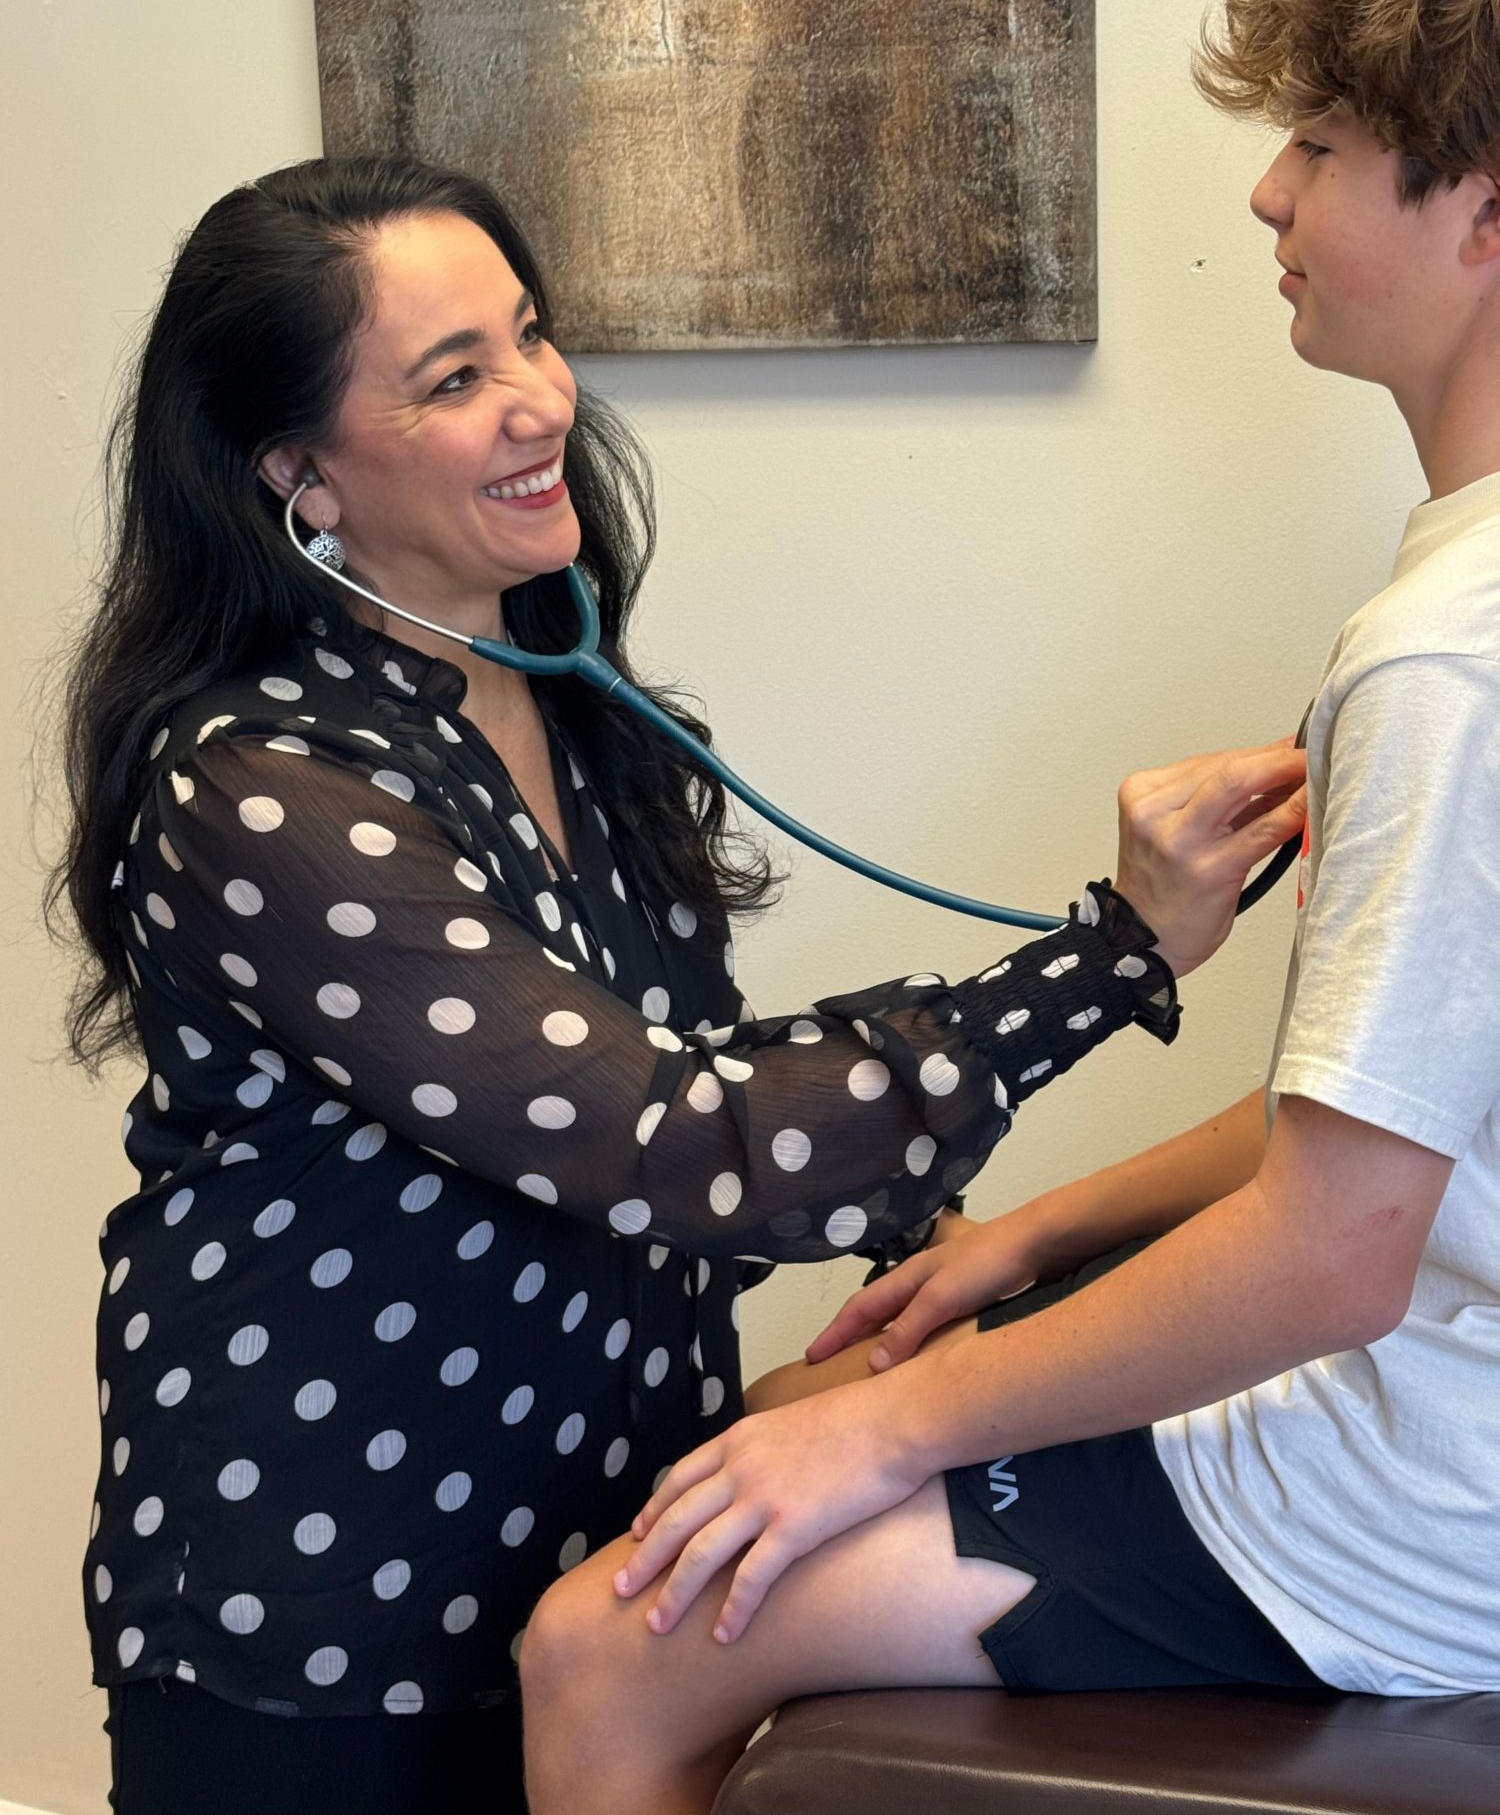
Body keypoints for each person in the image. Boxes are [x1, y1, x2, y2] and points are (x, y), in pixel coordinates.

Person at [52, 156, 1301, 1813]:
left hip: (592, 1535)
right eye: (455, 378)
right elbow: (664, 1139)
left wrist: (949, 1256)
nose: (541, 402)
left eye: (531, 334)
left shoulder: (566, 702)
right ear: (300, 475)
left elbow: (668, 1077)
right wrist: (1111, 957)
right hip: (333, 1587)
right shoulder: (260, 785)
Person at [519, 0, 1500, 1812]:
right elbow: (1388, 1121)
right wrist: (1028, 1239)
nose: (1269, 193)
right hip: (1443, 1408)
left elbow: (1335, 1254)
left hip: (1423, 1514)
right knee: (807, 1393)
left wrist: (895, 1435)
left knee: (602, 1640)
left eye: (1319, 146)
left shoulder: (1446, 659)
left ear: (1482, 211)